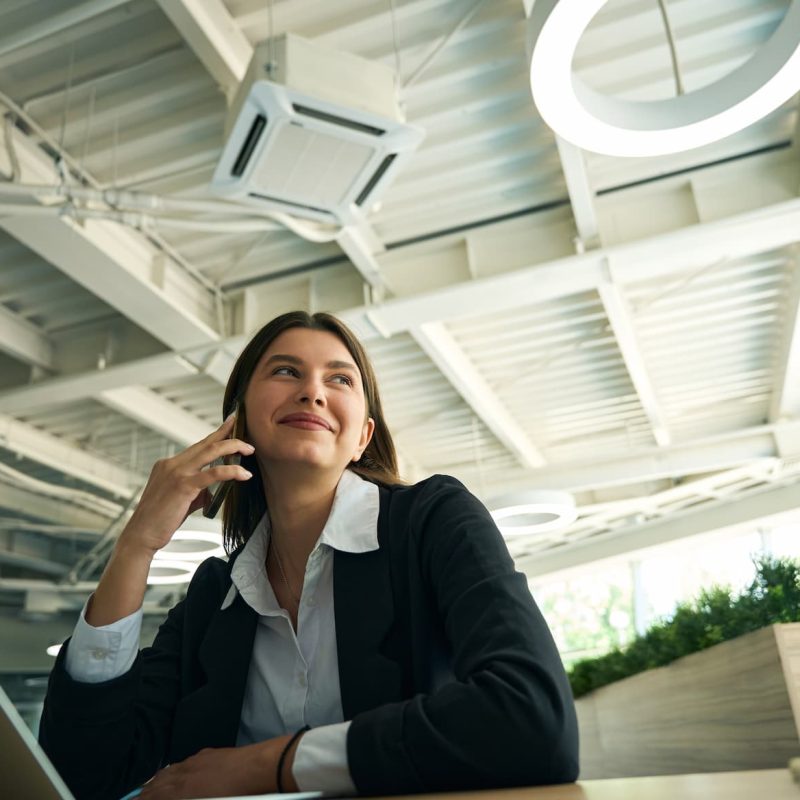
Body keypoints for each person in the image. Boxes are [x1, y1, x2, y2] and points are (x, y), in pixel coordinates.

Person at [39, 310, 579, 800]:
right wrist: (135, 547)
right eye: (285, 372)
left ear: (363, 436)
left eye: (340, 379)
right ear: (239, 420)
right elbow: (84, 774)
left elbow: (532, 718)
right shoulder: (213, 598)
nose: (313, 392)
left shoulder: (433, 522)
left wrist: (268, 766)